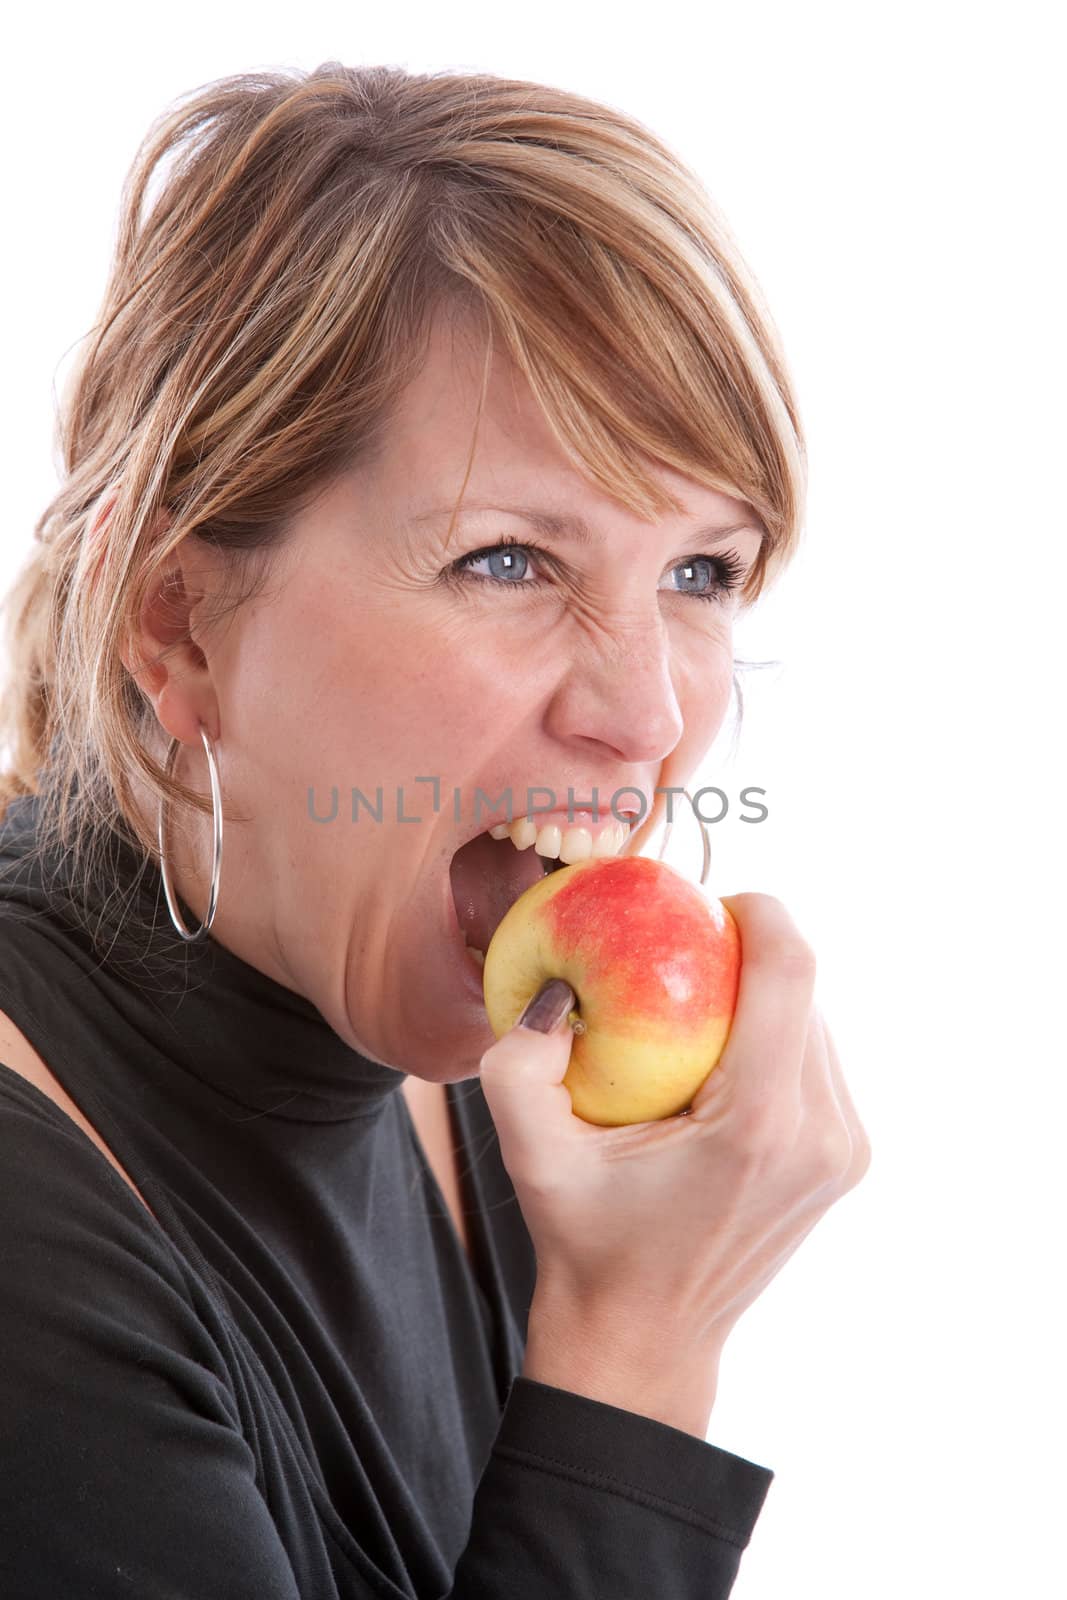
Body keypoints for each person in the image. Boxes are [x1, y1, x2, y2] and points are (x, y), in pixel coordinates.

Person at [0, 60, 871, 1598]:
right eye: (509, 561)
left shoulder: (468, 1043)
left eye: (702, 574)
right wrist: (636, 1369)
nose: (651, 717)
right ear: (181, 628)